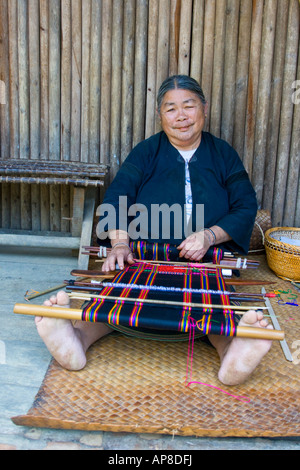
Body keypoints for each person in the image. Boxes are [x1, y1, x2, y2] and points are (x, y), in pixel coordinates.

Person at [35, 75, 273, 385]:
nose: (181, 116)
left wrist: (208, 236)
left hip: (206, 258)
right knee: (121, 296)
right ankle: (76, 340)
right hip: (147, 256)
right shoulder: (146, 152)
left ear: (204, 108)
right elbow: (118, 197)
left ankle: (231, 352)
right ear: (160, 114)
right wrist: (120, 245)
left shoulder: (223, 154)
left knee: (211, 302)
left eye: (189, 106)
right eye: (171, 108)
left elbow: (245, 206)